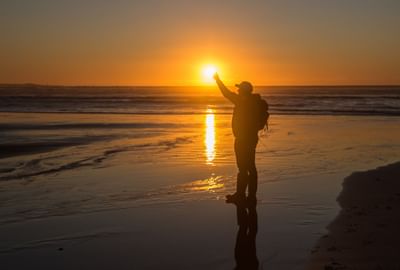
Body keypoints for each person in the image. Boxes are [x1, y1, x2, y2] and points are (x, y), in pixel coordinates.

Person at [213, 73, 261, 205]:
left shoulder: (242, 101)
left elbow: (226, 93)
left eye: (240, 89)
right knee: (250, 167)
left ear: (244, 91)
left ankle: (241, 195)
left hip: (242, 139)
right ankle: (250, 196)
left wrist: (218, 80)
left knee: (243, 168)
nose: (237, 90)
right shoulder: (253, 102)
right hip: (252, 138)